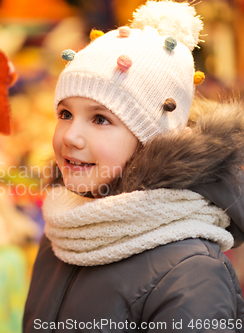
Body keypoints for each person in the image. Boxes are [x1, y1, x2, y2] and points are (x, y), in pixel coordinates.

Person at [23, 1, 244, 332]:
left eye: (101, 119)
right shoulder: (65, 230)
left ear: (155, 139)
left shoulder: (192, 273)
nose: (71, 136)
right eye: (65, 114)